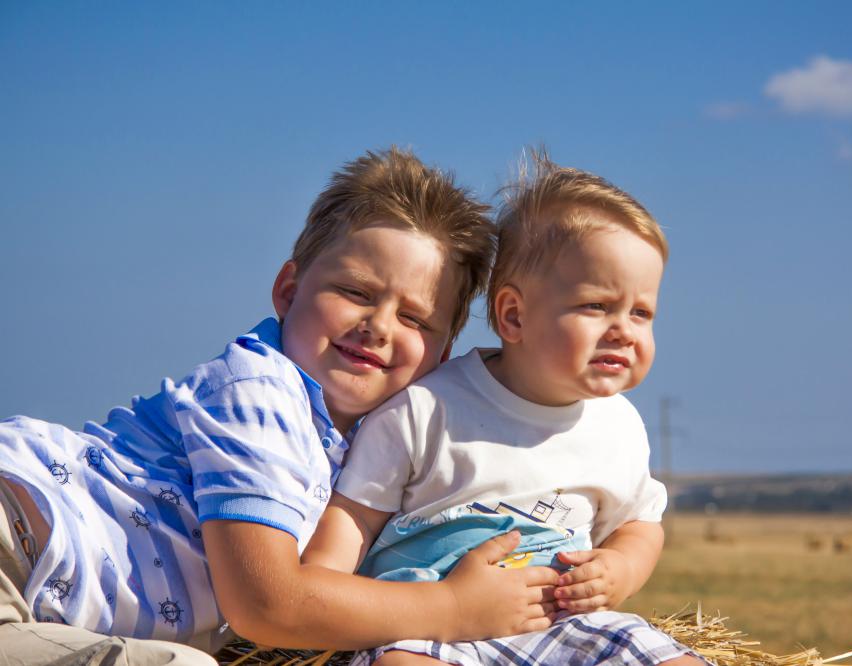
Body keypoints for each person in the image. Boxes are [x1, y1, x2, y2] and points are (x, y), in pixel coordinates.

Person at [0, 148, 563, 664]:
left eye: (414, 319)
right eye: (357, 292)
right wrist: (453, 609)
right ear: (289, 291)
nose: (379, 327)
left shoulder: (361, 449)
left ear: (440, 355)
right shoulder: (259, 392)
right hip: (17, 546)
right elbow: (268, 605)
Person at [303, 151, 708, 665]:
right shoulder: (426, 409)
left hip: (562, 625)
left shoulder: (619, 427)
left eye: (642, 312)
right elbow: (354, 520)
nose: (624, 330)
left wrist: (621, 569)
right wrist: (323, 592)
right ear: (513, 315)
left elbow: (640, 523)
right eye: (597, 306)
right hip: (431, 629)